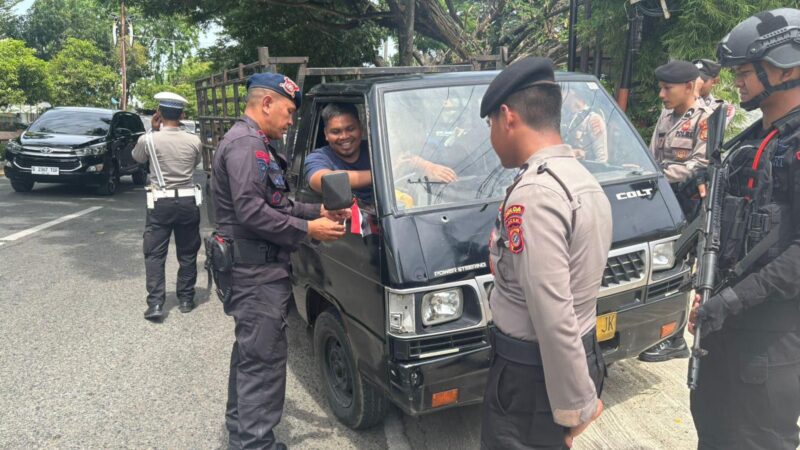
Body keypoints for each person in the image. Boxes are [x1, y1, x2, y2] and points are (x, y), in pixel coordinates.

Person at [479, 57, 613, 450]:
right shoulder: (579, 179)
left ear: (507, 117)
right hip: (569, 357)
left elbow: (552, 310)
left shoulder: (535, 194)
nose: (491, 137)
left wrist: (577, 406)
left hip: (529, 376)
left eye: (490, 125)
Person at [212, 72, 350, 450]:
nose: (291, 121)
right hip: (254, 273)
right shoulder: (245, 145)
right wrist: (309, 230)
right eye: (288, 111)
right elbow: (251, 212)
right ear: (267, 103)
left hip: (257, 269)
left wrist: (317, 209)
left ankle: (242, 432)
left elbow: (278, 204)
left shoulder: (254, 144)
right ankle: (255, 443)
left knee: (251, 355)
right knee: (264, 363)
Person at [689, 8, 800, 449]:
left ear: (788, 66)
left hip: (769, 339)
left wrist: (733, 298)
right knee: (715, 433)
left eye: (746, 70)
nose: (737, 78)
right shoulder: (752, 140)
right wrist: (711, 290)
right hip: (726, 329)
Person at [639, 60, 714, 363]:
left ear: (688, 86)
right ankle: (662, 330)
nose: (661, 94)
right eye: (660, 87)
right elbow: (651, 155)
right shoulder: (666, 118)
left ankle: (676, 338)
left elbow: (701, 164)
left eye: (666, 88)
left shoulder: (705, 120)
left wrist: (659, 174)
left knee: (684, 269)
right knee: (662, 266)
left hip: (690, 205)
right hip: (663, 203)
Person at [132, 92, 202, 321]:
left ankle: (155, 304)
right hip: (187, 200)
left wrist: (152, 130)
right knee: (188, 252)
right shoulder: (194, 140)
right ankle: (185, 299)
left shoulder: (149, 139)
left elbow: (138, 158)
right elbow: (195, 163)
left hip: (160, 202)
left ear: (159, 114)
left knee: (154, 254)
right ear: (182, 115)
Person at [304, 103, 373, 203]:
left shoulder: (376, 151)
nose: (344, 136)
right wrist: (379, 175)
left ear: (360, 128)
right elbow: (323, 181)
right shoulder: (318, 157)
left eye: (350, 129)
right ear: (326, 134)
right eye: (336, 132)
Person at [562, 90, 608, 162]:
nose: (560, 94)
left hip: (586, 170)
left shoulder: (592, 119)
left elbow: (601, 159)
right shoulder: (566, 118)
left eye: (562, 90)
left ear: (572, 91)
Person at [693, 58, 736, 125]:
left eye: (702, 80)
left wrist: (696, 96)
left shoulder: (723, 107)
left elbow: (710, 129)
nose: (696, 84)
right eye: (692, 79)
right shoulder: (676, 102)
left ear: (714, 81)